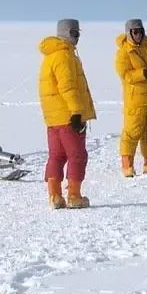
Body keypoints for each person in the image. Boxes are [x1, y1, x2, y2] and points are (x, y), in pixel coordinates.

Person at [38, 18, 96, 209]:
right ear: (65, 33)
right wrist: (77, 112)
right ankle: (74, 196)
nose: (77, 37)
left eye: (78, 33)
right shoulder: (64, 56)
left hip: (53, 118)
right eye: (74, 33)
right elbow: (67, 87)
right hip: (68, 116)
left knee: (57, 156)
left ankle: (54, 196)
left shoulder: (50, 56)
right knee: (77, 155)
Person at [114, 18, 147, 177]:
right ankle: (127, 164)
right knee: (132, 132)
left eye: (140, 31)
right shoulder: (124, 51)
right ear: (129, 33)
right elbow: (125, 75)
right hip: (135, 100)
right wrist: (144, 72)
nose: (138, 34)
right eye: (135, 32)